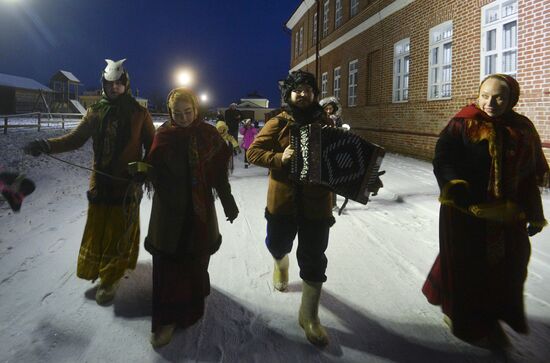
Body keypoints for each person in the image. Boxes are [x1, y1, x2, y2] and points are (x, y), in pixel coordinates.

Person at [422, 74, 549, 348]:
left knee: (512, 264)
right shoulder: (463, 123)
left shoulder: (522, 129)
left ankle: (494, 317)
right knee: (468, 266)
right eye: (485, 95)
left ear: (512, 99)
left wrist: (534, 212)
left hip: (506, 212)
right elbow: (443, 159)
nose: (490, 102)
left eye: (499, 97)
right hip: (466, 210)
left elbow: (529, 176)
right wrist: (457, 190)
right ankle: (466, 321)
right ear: (478, 95)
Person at [24, 59, 155, 305]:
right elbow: (75, 139)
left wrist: (144, 170)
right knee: (98, 228)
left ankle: (110, 279)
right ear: (103, 85)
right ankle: (101, 269)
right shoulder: (95, 112)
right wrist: (46, 145)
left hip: (126, 184)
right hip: (100, 182)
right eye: (109, 84)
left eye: (118, 83)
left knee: (119, 233)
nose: (114, 88)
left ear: (126, 84)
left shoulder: (140, 113)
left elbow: (153, 147)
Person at [144, 88, 239, 347]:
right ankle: (167, 319)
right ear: (170, 113)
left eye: (188, 112)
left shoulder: (208, 135)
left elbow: (219, 173)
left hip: (199, 209)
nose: (184, 118)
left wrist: (227, 199)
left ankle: (192, 303)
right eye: (178, 113)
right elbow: (151, 169)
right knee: (169, 264)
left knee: (196, 257)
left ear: (196, 110)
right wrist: (141, 174)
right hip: (169, 211)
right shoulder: (163, 136)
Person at [247, 70, 334, 347]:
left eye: (308, 89)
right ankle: (280, 263)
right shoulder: (278, 122)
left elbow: (340, 159)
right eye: (298, 90)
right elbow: (252, 152)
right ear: (290, 94)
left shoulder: (326, 123)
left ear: (314, 93)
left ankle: (309, 316)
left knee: (314, 257)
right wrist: (279, 157)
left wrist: (361, 178)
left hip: (316, 205)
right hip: (283, 202)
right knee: (277, 243)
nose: (303, 94)